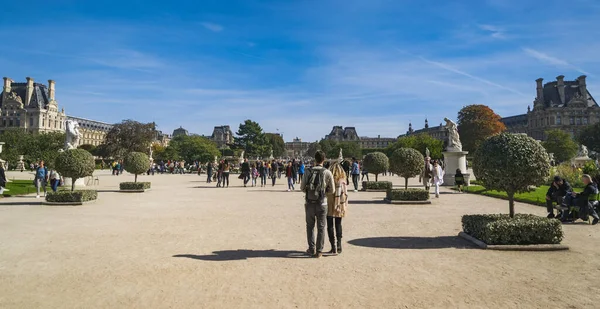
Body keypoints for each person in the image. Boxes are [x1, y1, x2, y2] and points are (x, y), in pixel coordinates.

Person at [301, 150, 335, 258]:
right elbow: (332, 190)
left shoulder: (308, 171)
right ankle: (319, 251)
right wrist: (324, 192)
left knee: (310, 226)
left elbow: (302, 188)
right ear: (324, 160)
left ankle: (311, 249)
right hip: (322, 203)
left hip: (310, 202)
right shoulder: (327, 172)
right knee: (321, 227)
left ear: (314, 159)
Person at [326, 162, 348, 255]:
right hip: (339, 204)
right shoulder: (342, 181)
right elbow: (345, 195)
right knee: (338, 224)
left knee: (330, 225)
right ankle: (339, 244)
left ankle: (333, 246)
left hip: (329, 203)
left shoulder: (329, 180)